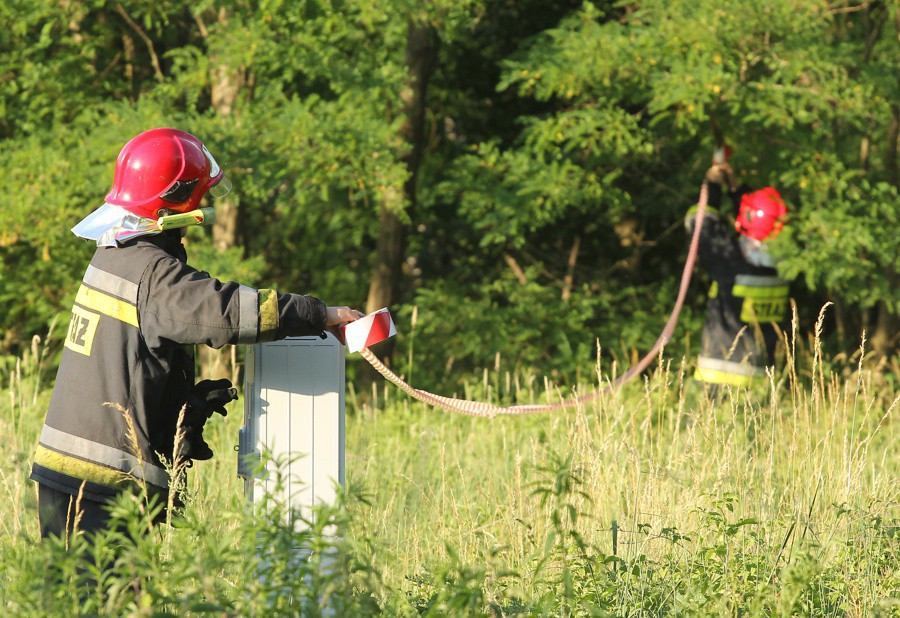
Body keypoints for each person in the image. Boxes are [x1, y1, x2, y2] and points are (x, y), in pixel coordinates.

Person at [31, 128, 363, 540]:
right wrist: (319, 314)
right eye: (199, 195)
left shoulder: (114, 255)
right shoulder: (152, 272)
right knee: (107, 584)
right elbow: (226, 312)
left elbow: (126, 367)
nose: (203, 207)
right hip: (99, 485)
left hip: (67, 475)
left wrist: (176, 411)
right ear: (175, 199)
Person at [685, 158, 790, 393]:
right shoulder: (784, 266)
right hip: (759, 382)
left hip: (717, 379)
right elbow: (757, 226)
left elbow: (700, 227)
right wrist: (736, 190)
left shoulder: (730, 262)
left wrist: (712, 187)